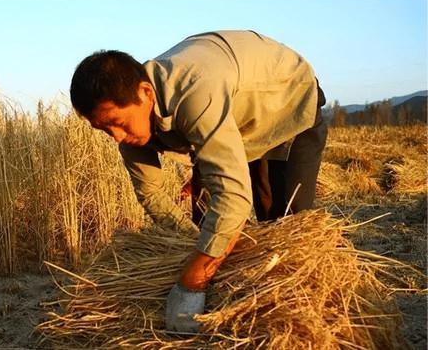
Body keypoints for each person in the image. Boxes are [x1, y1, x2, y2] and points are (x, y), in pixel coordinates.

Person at [69, 30, 327, 333]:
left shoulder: (194, 92)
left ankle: (291, 324)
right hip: (230, 120)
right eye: (104, 130)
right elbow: (150, 193)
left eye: (118, 124)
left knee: (284, 227)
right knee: (207, 219)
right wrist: (194, 244)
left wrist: (191, 283)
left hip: (286, 100)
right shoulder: (131, 122)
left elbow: (233, 198)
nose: (117, 138)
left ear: (145, 93)